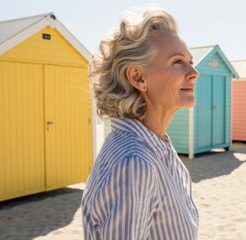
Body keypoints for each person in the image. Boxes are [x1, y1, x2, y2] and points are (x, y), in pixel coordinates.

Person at [81, 6, 199, 240]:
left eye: (190, 61)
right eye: (178, 62)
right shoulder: (135, 163)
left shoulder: (156, 146)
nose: (194, 72)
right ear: (137, 77)